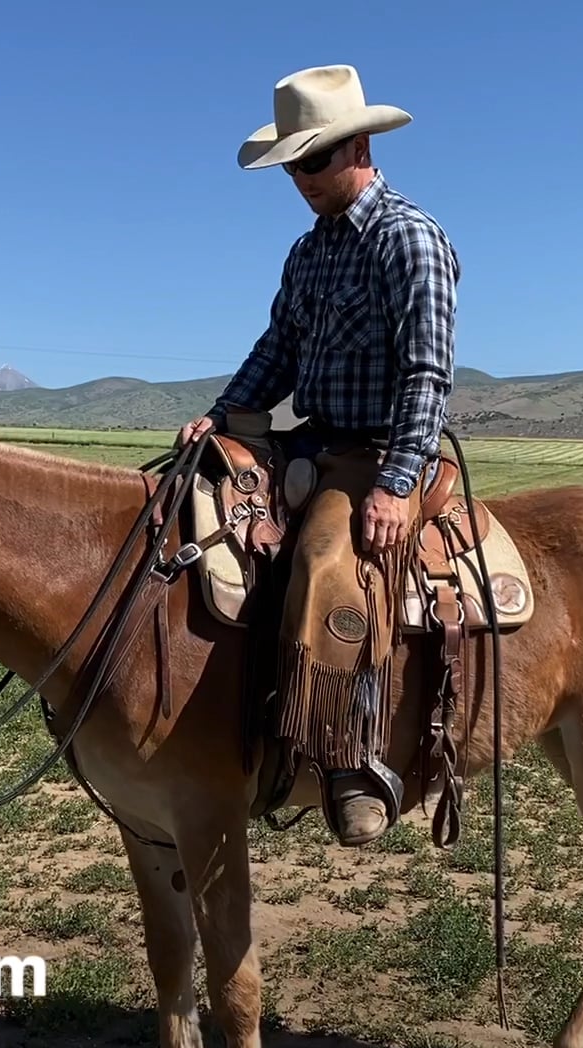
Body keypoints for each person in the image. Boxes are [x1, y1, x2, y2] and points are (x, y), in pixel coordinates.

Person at [177, 64, 460, 846]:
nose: (298, 180)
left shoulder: (410, 239)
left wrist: (397, 484)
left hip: (374, 450)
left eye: (311, 161)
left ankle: (349, 753)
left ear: (359, 146)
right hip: (310, 437)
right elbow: (277, 350)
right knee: (188, 505)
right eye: (291, 166)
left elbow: (427, 374)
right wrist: (219, 417)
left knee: (326, 560)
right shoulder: (309, 254)